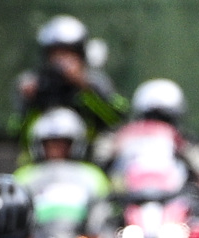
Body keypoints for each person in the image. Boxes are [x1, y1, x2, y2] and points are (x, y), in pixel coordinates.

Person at [12, 15, 127, 156]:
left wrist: (85, 89)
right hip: (43, 161)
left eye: (68, 53)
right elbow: (17, 132)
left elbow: (117, 117)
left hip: (88, 158)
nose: (61, 61)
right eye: (56, 54)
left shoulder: (94, 82)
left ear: (81, 55)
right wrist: (30, 101)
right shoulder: (34, 84)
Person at [100, 79, 199, 200]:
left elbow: (101, 156)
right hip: (127, 195)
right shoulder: (125, 134)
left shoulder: (122, 133)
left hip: (167, 195)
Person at [14, 108, 111, 238]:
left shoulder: (92, 176)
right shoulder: (24, 177)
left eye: (62, 143)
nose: (56, 149)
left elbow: (100, 218)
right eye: (50, 143)